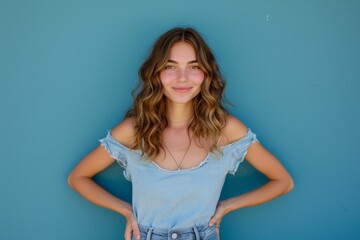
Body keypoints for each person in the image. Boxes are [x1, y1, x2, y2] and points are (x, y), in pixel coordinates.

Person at [67, 27, 294, 240]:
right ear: (156, 74)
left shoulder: (225, 129)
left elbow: (283, 182)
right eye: (170, 66)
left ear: (206, 74)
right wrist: (127, 211)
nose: (182, 77)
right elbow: (78, 177)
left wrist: (227, 206)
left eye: (194, 67)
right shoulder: (134, 131)